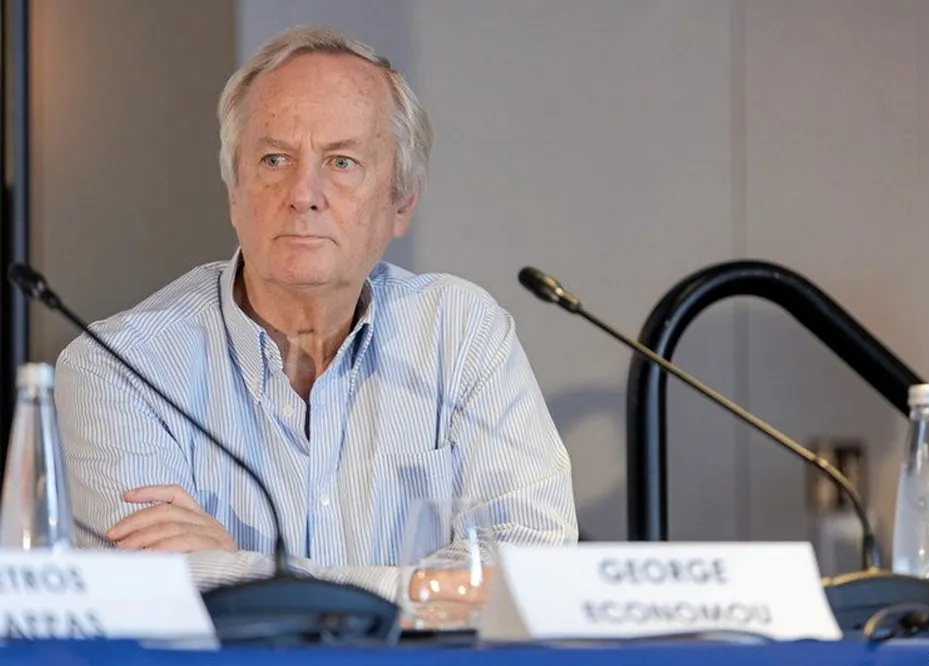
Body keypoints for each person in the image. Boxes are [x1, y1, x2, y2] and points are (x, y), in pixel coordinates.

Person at [54, 25, 578, 601]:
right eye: (274, 159)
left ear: (402, 203)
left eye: (342, 162)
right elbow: (151, 592)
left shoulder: (462, 333)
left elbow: (531, 567)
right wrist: (423, 589)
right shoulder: (119, 366)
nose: (303, 193)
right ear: (235, 193)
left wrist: (251, 574)